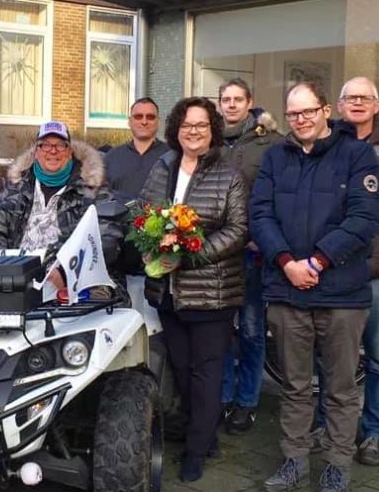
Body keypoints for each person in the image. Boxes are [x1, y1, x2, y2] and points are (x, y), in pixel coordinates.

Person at [251, 82, 379, 492]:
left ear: (326, 110)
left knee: (341, 390)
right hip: (287, 291)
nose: (301, 120)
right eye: (293, 114)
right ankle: (294, 462)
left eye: (308, 111)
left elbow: (365, 218)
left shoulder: (357, 154)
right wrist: (287, 262)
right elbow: (260, 215)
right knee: (294, 386)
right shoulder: (276, 157)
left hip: (342, 295)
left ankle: (337, 467)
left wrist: (320, 259)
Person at [139, 97, 248, 483]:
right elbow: (144, 216)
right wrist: (153, 243)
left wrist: (191, 253)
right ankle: (206, 434)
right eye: (187, 125)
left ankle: (195, 452)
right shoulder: (163, 166)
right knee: (183, 372)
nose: (194, 131)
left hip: (211, 293)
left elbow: (238, 230)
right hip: (168, 293)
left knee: (206, 373)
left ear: (212, 129)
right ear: (176, 129)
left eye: (202, 125)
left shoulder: (228, 174)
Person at [312, 77, 379, 467]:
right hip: (331, 271)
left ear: (377, 104)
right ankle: (326, 425)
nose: (357, 103)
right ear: (337, 107)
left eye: (364, 98)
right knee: (331, 355)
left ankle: (375, 433)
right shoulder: (323, 146)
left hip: (378, 273)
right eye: (349, 97)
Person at [0, 121, 128, 296]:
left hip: (74, 282)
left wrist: (65, 271)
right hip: (18, 280)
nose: (53, 151)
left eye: (60, 145)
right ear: (36, 152)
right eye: (45, 145)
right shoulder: (15, 189)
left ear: (69, 151)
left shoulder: (94, 190)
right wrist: (4, 268)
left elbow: (108, 238)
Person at [217, 78, 283, 435]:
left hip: (252, 253)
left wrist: (264, 237)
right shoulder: (210, 139)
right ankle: (224, 396)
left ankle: (247, 402)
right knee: (222, 329)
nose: (231, 105)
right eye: (225, 100)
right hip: (215, 254)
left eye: (237, 99)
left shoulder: (269, 142)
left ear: (249, 102)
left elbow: (279, 194)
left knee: (253, 330)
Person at [104, 98, 168, 204]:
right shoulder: (112, 157)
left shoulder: (171, 156)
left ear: (159, 122)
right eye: (138, 117)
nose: (144, 122)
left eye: (150, 117)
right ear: (129, 121)